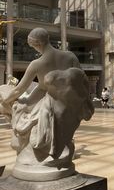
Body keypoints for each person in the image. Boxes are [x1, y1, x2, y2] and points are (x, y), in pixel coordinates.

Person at [0, 27, 94, 179]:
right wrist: (28, 99)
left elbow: (19, 90)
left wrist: (7, 100)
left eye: (33, 45)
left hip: (51, 106)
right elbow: (81, 82)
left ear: (37, 44)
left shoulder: (37, 64)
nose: (34, 49)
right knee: (29, 109)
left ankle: (39, 156)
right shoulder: (70, 56)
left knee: (24, 115)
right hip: (70, 108)